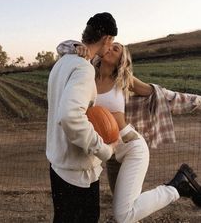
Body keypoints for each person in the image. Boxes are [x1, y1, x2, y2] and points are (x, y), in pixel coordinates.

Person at [57, 40, 201, 223]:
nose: (110, 48)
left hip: (132, 148)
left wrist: (198, 101)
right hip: (110, 156)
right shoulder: (86, 74)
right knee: (128, 211)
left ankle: (176, 187)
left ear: (121, 60)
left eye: (116, 49)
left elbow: (162, 95)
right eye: (110, 45)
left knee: (123, 215)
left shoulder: (123, 80)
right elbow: (61, 48)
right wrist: (76, 47)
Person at [46, 12, 120, 223]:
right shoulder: (83, 69)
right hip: (77, 174)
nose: (110, 47)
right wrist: (104, 150)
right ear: (107, 39)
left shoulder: (62, 63)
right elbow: (71, 117)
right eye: (111, 42)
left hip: (58, 165)